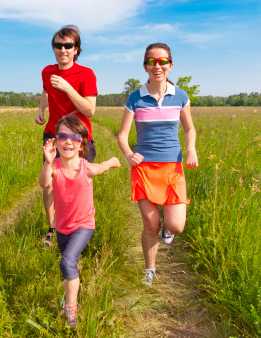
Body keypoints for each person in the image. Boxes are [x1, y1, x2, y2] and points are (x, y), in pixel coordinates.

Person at [117, 43, 198, 287]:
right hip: (144, 169)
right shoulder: (136, 98)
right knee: (151, 224)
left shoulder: (181, 96)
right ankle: (149, 269)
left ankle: (169, 229)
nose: (157, 66)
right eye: (152, 62)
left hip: (173, 166)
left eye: (162, 61)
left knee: (176, 225)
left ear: (170, 65)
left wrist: (191, 148)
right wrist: (129, 154)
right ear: (145, 66)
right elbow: (122, 135)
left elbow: (189, 127)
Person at [39, 116, 120, 326]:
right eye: (62, 136)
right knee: (69, 267)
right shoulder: (54, 167)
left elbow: (101, 166)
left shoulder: (87, 168)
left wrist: (112, 162)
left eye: (74, 137)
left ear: (82, 143)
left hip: (84, 224)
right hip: (63, 228)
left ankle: (71, 311)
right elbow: (43, 183)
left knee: (66, 262)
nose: (68, 141)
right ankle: (69, 300)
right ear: (55, 141)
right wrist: (48, 162)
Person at [35, 25, 99, 246]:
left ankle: (81, 229)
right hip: (53, 134)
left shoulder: (86, 74)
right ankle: (52, 229)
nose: (63, 50)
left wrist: (68, 88)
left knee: (79, 184)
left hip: (80, 137)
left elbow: (89, 110)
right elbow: (46, 91)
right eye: (58, 45)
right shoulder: (47, 71)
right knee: (51, 182)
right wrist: (41, 109)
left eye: (68, 45)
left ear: (76, 49)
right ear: (53, 48)